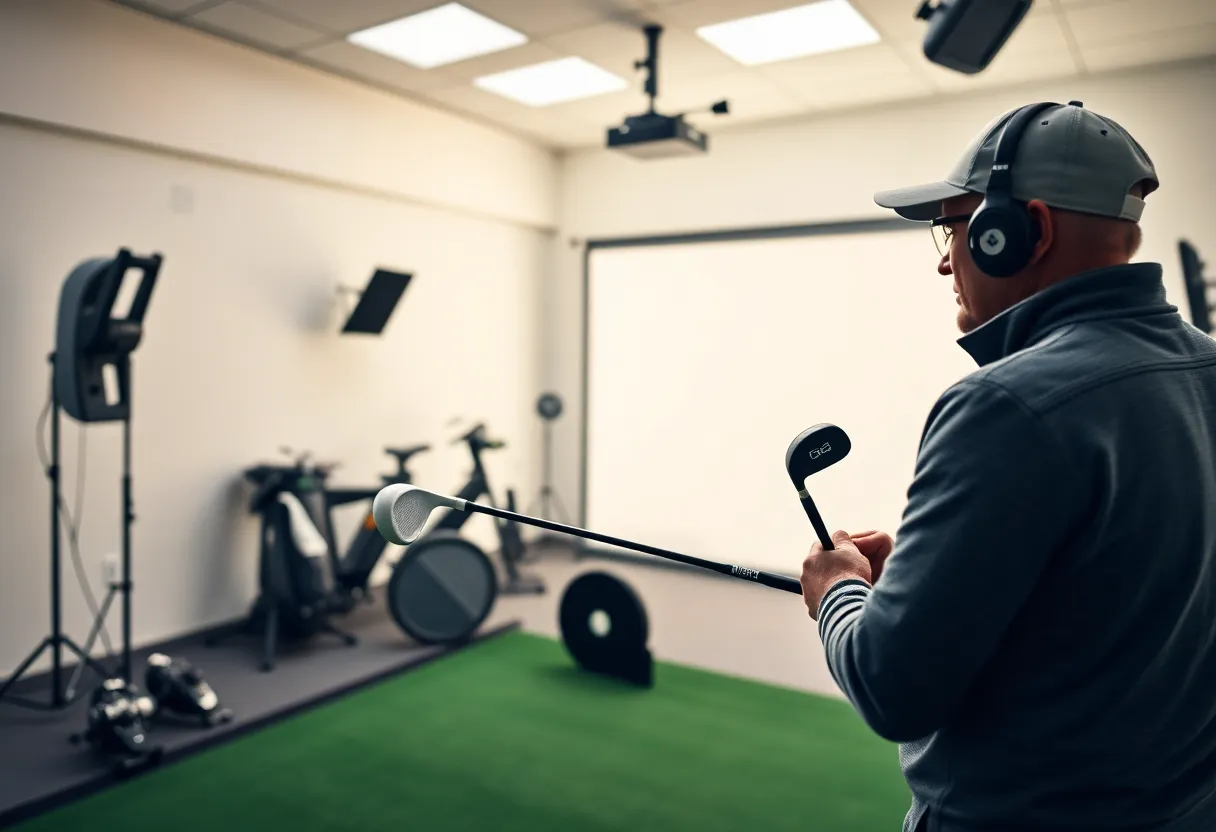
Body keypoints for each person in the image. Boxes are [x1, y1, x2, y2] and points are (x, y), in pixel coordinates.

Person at [798, 100, 1216, 832]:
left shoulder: (1003, 406)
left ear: (1024, 232)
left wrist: (838, 590)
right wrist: (932, 585)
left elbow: (892, 686)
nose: (944, 259)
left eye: (954, 228)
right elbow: (1112, 595)